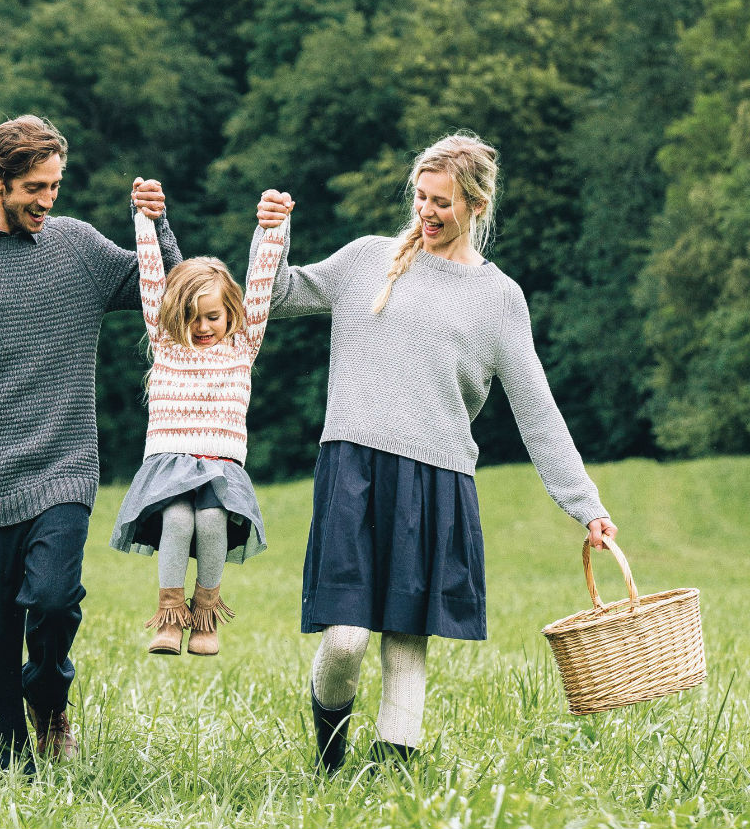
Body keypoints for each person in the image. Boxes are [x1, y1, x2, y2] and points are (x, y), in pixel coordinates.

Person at [255, 132, 618, 775]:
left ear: (476, 206)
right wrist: (272, 234)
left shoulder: (499, 299)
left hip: (435, 478)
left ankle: (391, 779)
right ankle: (331, 759)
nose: (427, 211)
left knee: (405, 643)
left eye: (442, 202)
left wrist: (584, 505)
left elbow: (538, 411)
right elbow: (278, 296)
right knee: (344, 639)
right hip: (352, 469)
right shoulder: (367, 259)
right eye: (420, 197)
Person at [0, 115, 182, 773]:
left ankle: (49, 697)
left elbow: (167, 296)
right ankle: (8, 774)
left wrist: (156, 226)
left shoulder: (76, 246)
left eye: (55, 186)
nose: (48, 201)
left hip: (63, 468)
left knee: (51, 598)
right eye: (34, 188)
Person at [108, 199, 289, 656]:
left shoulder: (242, 346)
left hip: (220, 462)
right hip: (170, 457)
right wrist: (144, 219)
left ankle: (205, 614)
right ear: (175, 317)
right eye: (192, 317)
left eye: (212, 316)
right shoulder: (166, 343)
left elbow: (263, 282)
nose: (203, 326)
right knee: (176, 517)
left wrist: (275, 228)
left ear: (231, 313)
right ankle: (170, 615)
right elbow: (151, 273)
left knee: (211, 519)